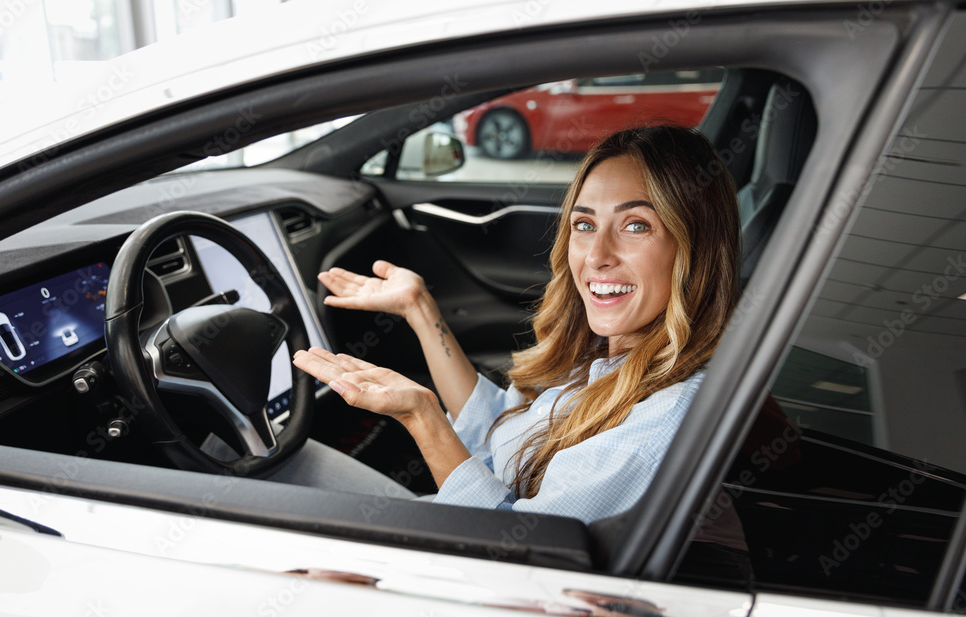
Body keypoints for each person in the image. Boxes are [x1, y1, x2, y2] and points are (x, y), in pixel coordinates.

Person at [292, 125, 740, 524]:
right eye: (584, 224)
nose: (597, 254)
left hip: (485, 563)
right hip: (461, 521)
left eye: (636, 225)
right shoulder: (611, 355)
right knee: (288, 469)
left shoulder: (664, 418)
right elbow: (497, 438)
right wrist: (421, 311)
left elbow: (517, 551)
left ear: (693, 247)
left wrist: (422, 417)